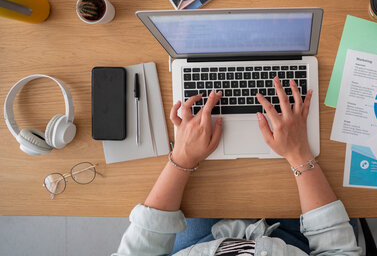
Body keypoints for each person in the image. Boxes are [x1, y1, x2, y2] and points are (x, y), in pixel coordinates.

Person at [113, 77, 362, 256]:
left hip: (203, 241)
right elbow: (338, 249)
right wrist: (299, 155)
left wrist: (182, 160)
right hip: (294, 242)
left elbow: (141, 246)